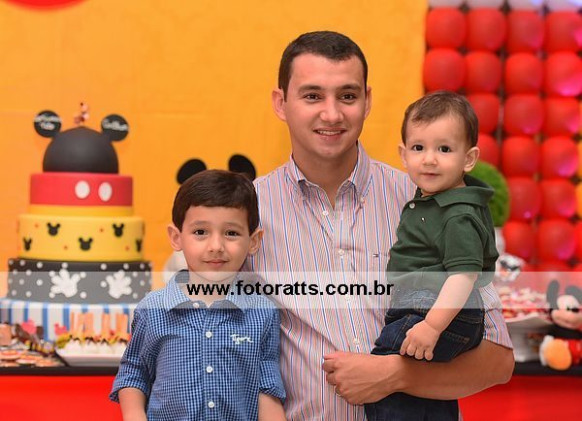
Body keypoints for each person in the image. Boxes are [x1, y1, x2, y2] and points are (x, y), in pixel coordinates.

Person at [246, 31, 514, 420]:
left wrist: (394, 375)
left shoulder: (430, 201)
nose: (332, 114)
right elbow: (227, 352)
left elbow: (498, 360)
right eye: (312, 96)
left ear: (367, 101)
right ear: (280, 103)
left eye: (347, 96)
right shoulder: (247, 213)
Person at [110, 170, 286, 421]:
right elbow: (134, 373)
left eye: (231, 233)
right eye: (201, 232)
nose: (216, 246)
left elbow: (267, 388)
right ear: (176, 237)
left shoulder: (263, 313)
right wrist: (134, 414)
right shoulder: (153, 308)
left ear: (254, 241)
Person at [365, 91, 498, 421]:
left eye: (444, 149)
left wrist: (432, 326)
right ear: (403, 154)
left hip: (437, 310)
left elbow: (463, 276)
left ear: (469, 159)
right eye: (418, 148)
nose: (429, 159)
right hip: (425, 307)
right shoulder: (434, 200)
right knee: (427, 390)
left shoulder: (458, 214)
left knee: (381, 376)